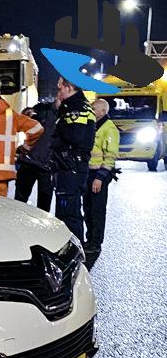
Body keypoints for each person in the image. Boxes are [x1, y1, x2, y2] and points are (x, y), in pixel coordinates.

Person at [50, 76, 96, 240]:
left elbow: (74, 136)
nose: (58, 91)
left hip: (71, 167)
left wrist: (60, 115)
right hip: (71, 166)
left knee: (68, 213)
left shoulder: (75, 107)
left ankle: (74, 253)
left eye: (60, 88)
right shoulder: (77, 106)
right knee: (67, 211)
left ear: (69, 87)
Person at [82, 98, 119, 258]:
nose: (91, 111)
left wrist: (100, 178)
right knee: (88, 208)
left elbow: (110, 157)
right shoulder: (94, 125)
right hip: (89, 174)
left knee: (97, 210)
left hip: (99, 175)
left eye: (94, 109)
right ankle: (90, 239)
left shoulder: (109, 128)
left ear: (103, 111)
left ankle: (95, 243)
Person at [14, 100, 59, 211]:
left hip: (47, 166)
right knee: (19, 201)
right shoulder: (42, 109)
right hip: (29, 162)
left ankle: (40, 227)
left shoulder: (65, 116)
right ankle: (15, 224)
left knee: (44, 205)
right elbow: (25, 117)